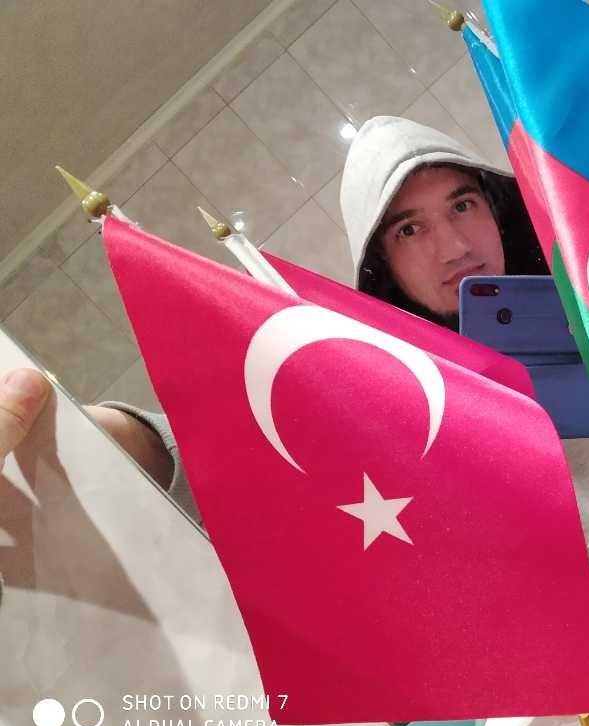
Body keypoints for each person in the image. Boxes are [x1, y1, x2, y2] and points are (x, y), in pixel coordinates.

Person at [0, 117, 548, 520]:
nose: (454, 248)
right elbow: (240, 459)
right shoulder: (390, 396)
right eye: (409, 229)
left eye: (462, 206)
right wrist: (91, 433)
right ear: (382, 263)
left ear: (496, 208)